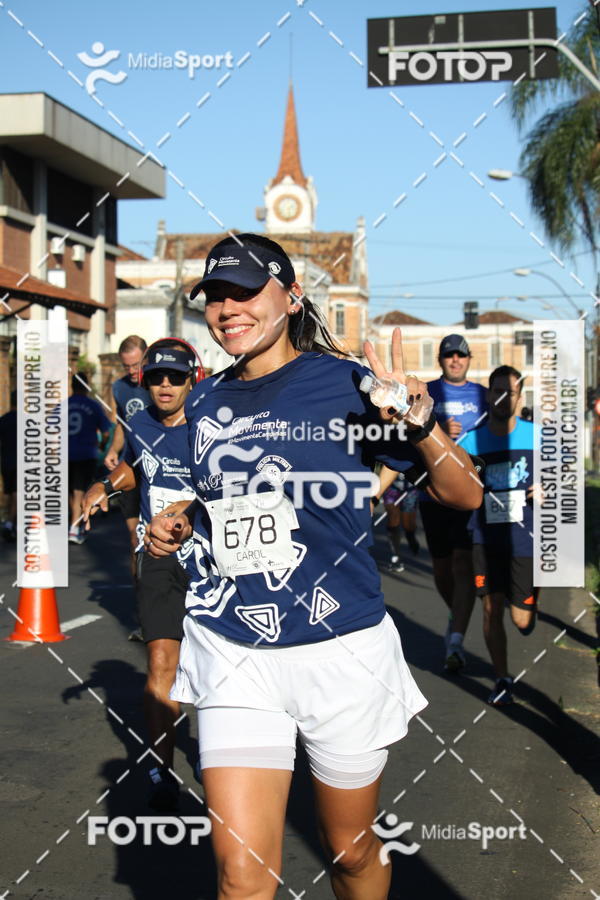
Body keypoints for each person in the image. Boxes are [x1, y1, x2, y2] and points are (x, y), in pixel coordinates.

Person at [143, 234, 482, 899]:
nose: (226, 307)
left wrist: (418, 423)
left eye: (243, 291)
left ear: (291, 297)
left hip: (341, 649)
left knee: (350, 852)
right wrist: (181, 521)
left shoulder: (350, 385)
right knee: (241, 876)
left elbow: (464, 494)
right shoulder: (206, 400)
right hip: (235, 644)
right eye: (215, 295)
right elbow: (224, 500)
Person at [82, 338, 201, 809]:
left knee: (220, 669)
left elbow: (239, 481)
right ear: (144, 380)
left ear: (193, 379)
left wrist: (190, 506)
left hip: (213, 561)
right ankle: (162, 773)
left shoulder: (212, 424)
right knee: (160, 665)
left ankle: (226, 757)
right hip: (157, 557)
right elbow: (136, 467)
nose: (165, 385)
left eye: (175, 377)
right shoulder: (140, 422)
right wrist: (104, 485)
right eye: (156, 377)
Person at [460, 365, 538, 706]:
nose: (504, 398)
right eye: (497, 391)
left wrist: (550, 487)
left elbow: (568, 476)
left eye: (512, 392)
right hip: (484, 537)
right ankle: (502, 678)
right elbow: (452, 478)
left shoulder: (537, 437)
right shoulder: (471, 440)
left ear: (520, 397)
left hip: (525, 539)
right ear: (488, 394)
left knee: (521, 619)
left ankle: (528, 603)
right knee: (491, 608)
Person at [419, 333, 487, 674]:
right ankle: (456, 612)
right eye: (449, 356)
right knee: (443, 568)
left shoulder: (484, 396)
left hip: (470, 491)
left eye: (461, 355)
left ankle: (456, 639)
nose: (455, 360)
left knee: (463, 564)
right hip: (431, 492)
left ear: (469, 359)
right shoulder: (426, 392)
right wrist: (439, 431)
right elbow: (408, 433)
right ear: (441, 360)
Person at [104, 335, 150, 576]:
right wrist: (113, 448)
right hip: (130, 467)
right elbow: (121, 424)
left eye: (137, 364)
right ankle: (140, 600)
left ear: (147, 356)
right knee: (135, 539)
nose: (133, 371)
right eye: (127, 366)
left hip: (159, 468)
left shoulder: (160, 383)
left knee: (159, 538)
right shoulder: (120, 387)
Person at [68, 374, 111, 544]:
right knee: (80, 490)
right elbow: (106, 432)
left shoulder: (63, 406)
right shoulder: (93, 406)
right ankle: (74, 527)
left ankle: (73, 523)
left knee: (72, 490)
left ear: (72, 386)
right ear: (86, 386)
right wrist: (101, 447)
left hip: (65, 454)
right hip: (86, 453)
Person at [379, 464, 419, 572]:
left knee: (408, 525)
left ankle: (410, 536)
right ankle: (396, 556)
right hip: (391, 486)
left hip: (410, 488)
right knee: (393, 519)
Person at [0, 390, 17, 542]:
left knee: (8, 491)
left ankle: (8, 521)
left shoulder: (3, 420)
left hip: (6, 461)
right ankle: (10, 523)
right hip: (22, 462)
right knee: (17, 493)